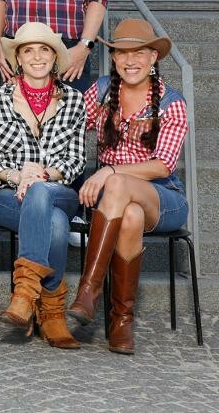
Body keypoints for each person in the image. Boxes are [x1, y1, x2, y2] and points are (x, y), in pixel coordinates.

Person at [72, 20, 190, 354]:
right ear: (114, 58)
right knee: (132, 216)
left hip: (164, 197)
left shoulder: (172, 101)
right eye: (122, 53)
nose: (130, 60)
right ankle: (121, 320)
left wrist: (108, 170)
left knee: (122, 185)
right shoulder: (103, 91)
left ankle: (89, 288)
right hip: (122, 201)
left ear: (154, 56)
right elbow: (70, 123)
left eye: (139, 52)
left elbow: (162, 165)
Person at [0, 22, 85, 349]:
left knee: (41, 193)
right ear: (19, 59)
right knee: (54, 224)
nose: (36, 57)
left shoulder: (74, 100)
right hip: (5, 194)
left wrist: (41, 174)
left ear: (54, 58)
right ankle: (51, 312)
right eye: (28, 51)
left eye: (44, 50)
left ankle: (24, 293)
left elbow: (76, 160)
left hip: (59, 190)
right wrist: (17, 176)